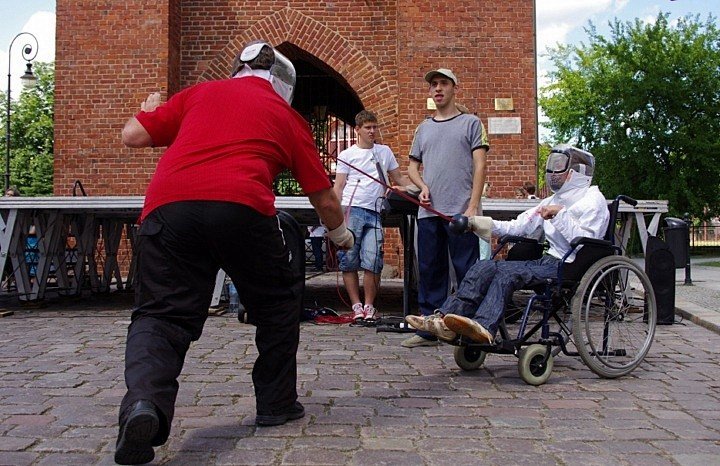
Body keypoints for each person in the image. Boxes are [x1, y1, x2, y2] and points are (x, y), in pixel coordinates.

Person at [114, 40, 353, 465]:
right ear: (284, 83)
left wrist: (150, 106)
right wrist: (341, 237)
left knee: (160, 315)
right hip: (242, 208)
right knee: (278, 303)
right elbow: (324, 199)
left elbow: (133, 134)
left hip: (169, 209)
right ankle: (275, 403)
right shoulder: (287, 115)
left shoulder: (197, 94)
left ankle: (144, 404)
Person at [406, 145, 609, 344]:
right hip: (547, 261)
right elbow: (518, 226)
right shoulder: (553, 200)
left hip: (569, 266)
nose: (553, 174)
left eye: (560, 168)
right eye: (552, 167)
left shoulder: (592, 200)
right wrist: (476, 223)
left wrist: (559, 214)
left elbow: (585, 242)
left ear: (575, 173)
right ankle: (443, 320)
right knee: (484, 266)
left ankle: (483, 327)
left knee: (507, 273)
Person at [402, 68, 490, 347]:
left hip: (460, 212)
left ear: (454, 88)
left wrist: (473, 206)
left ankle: (467, 327)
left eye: (443, 84)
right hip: (429, 212)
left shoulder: (471, 123)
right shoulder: (423, 128)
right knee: (430, 269)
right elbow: (412, 167)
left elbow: (480, 165)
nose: (438, 89)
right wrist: (422, 186)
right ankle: (429, 328)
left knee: (466, 269)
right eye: (434, 85)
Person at [333, 110, 408, 321]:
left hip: (375, 211)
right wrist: (335, 216)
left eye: (375, 127)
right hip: (352, 209)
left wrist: (421, 189)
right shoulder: (347, 155)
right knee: (349, 259)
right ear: (358, 130)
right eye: (368, 128)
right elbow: (339, 186)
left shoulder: (384, 152)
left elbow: (399, 179)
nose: (372, 131)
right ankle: (356, 305)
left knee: (373, 259)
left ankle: (369, 305)